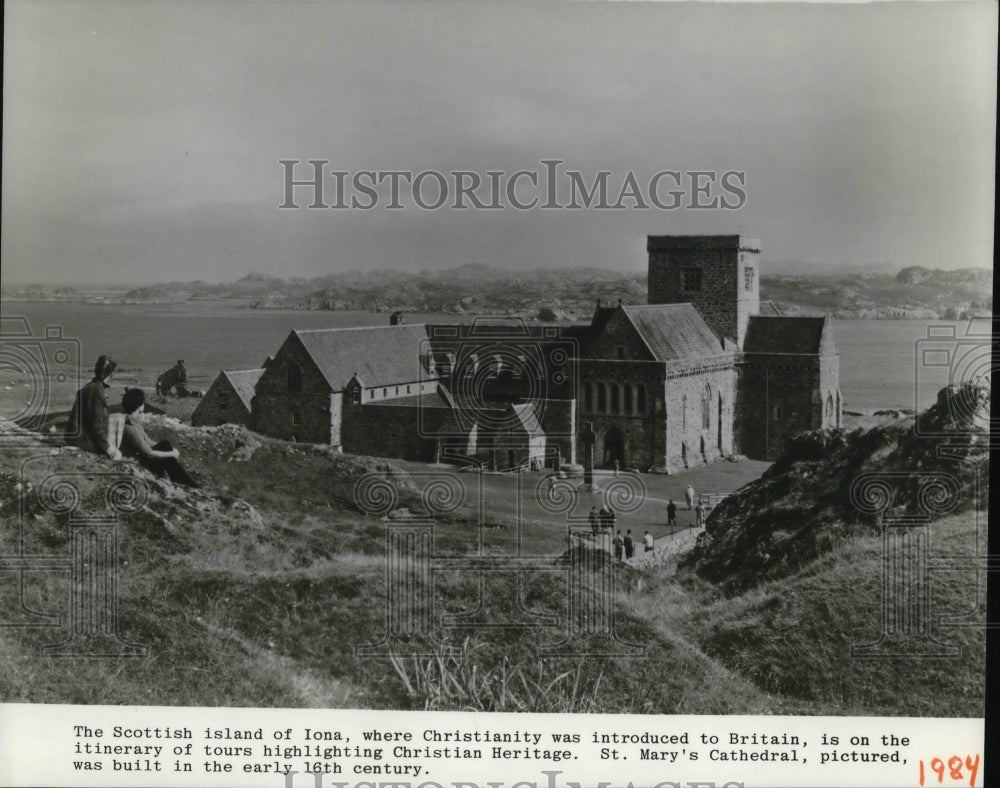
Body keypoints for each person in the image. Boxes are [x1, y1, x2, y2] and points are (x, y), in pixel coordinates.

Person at [119, 388, 199, 487]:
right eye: (143, 403)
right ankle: (187, 483)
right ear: (139, 406)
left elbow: (147, 440)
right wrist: (171, 453)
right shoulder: (130, 427)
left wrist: (168, 450)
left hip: (142, 456)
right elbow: (149, 453)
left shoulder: (134, 421)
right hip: (138, 461)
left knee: (165, 444)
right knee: (168, 454)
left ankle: (180, 479)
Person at [66, 355, 121, 460]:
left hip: (74, 435)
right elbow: (95, 425)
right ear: (110, 374)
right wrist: (107, 448)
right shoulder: (97, 391)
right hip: (79, 438)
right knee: (117, 455)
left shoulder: (90, 386)